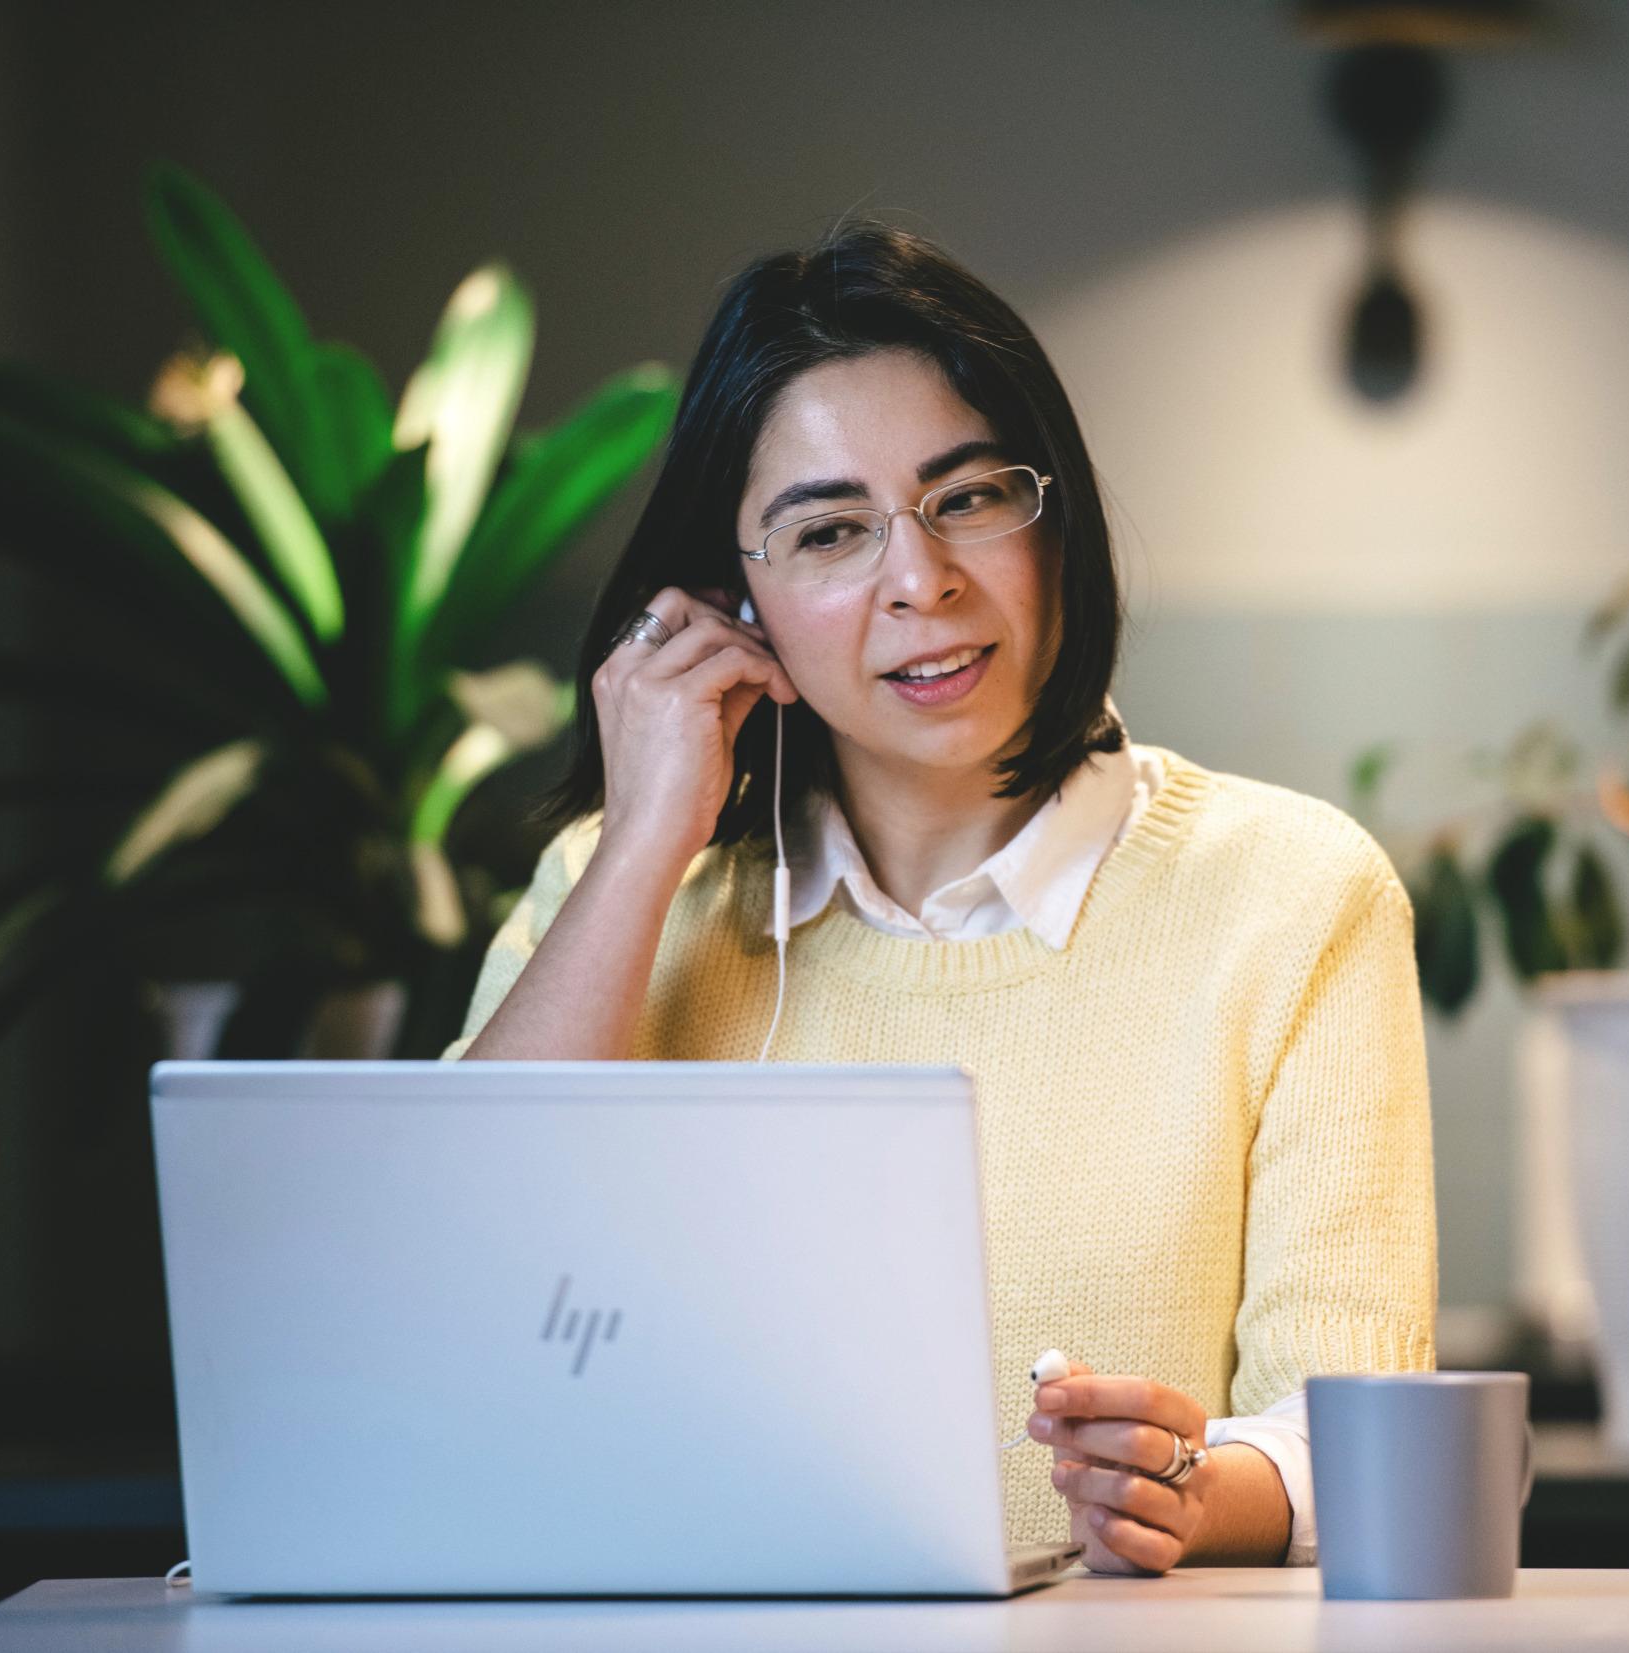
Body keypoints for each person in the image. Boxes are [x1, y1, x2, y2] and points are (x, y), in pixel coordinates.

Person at [440, 224, 1437, 1575]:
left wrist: (1194, 1491)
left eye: (969, 497)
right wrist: (644, 841)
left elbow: (1351, 1434)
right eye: (832, 531)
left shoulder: (1295, 894)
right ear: (740, 602)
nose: (922, 580)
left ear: (1054, 516)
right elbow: (451, 1300)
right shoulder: (615, 891)